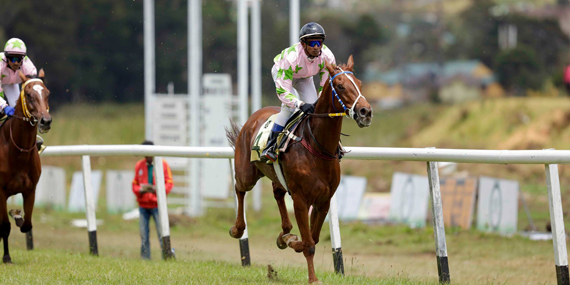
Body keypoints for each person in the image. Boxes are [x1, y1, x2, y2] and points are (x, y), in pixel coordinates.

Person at [261, 22, 336, 163]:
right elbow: (283, 92)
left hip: (305, 77)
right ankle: (271, 146)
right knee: (289, 107)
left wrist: (319, 99)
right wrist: (300, 104)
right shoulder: (291, 58)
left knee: (315, 108)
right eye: (312, 42)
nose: (316, 47)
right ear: (303, 43)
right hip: (283, 73)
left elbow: (325, 85)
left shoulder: (327, 57)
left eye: (319, 42)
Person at [0, 38, 45, 153]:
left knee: (20, 112)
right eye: (12, 59)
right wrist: (4, 107)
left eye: (19, 59)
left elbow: (33, 87)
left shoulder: (27, 65)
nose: (16, 62)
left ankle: (32, 139)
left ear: (23, 58)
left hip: (12, 84)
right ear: (6, 58)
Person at [131, 140, 174, 260]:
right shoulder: (139, 165)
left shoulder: (163, 164)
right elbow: (134, 184)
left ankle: (167, 256)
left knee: (162, 233)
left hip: (157, 205)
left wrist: (157, 190)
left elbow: (169, 183)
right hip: (143, 205)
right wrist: (140, 190)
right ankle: (145, 259)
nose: (147, 157)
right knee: (144, 234)